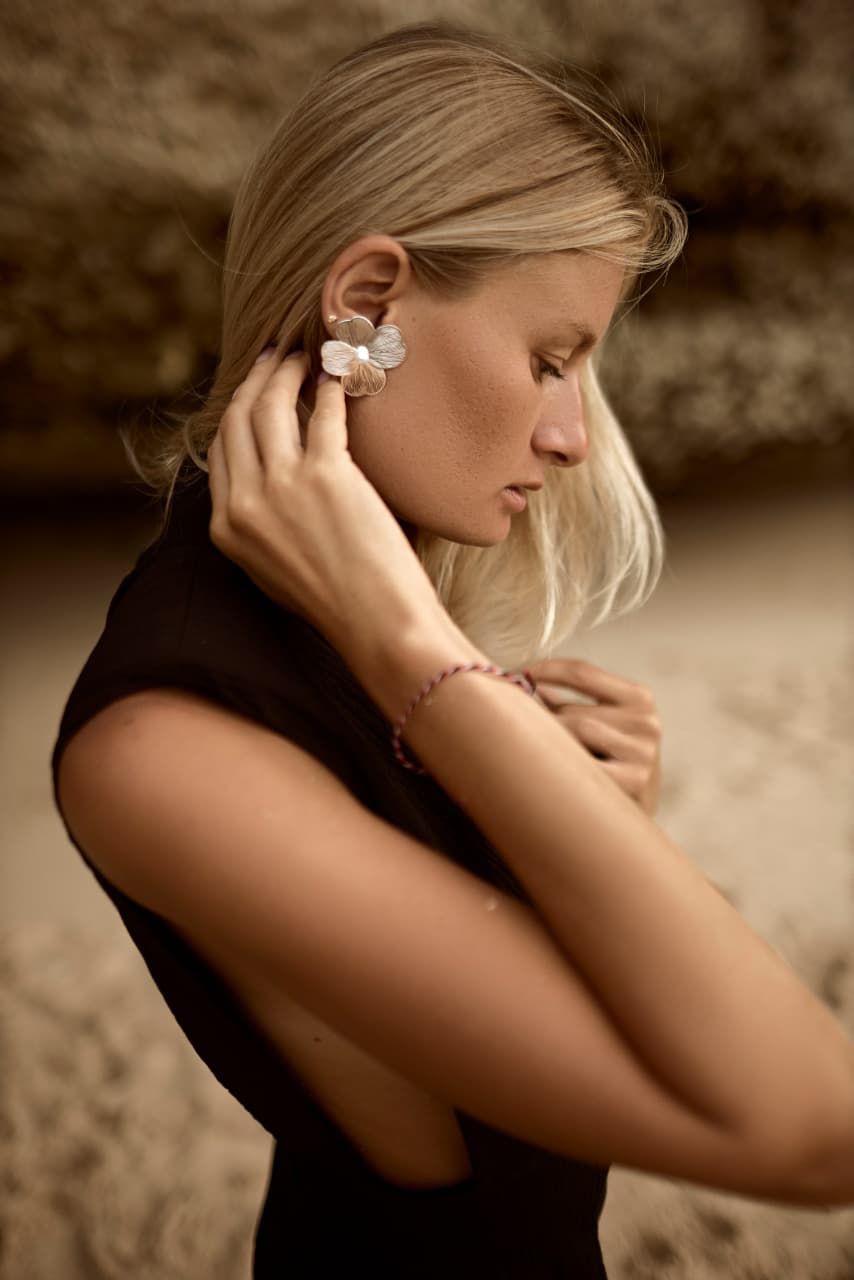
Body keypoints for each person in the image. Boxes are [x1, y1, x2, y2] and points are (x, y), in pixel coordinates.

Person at [51, 20, 854, 1280]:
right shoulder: (164, 749)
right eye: (548, 360)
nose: (572, 435)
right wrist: (415, 645)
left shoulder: (334, 644)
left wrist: (586, 817)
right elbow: (810, 1126)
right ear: (366, 306)